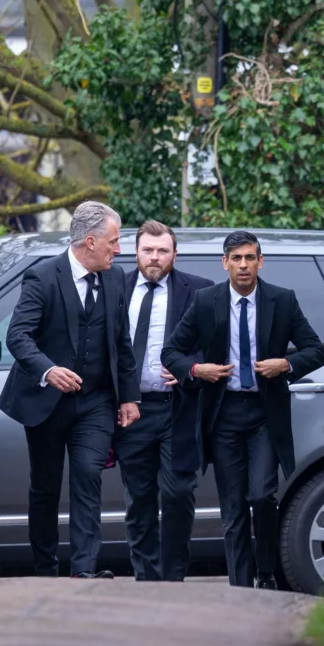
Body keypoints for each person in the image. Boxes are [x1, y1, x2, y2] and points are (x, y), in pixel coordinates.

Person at [161, 231, 324, 589]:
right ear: (225, 263)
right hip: (224, 416)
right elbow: (171, 352)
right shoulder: (207, 301)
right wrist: (196, 370)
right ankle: (240, 587)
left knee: (261, 496)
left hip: (265, 415)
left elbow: (316, 350)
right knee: (233, 508)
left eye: (250, 258)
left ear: (260, 261)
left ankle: (265, 573)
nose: (243, 265)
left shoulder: (282, 301)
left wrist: (285, 364)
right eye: (236, 259)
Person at [0, 201, 141, 579]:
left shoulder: (115, 279)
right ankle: (46, 570)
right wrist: (48, 370)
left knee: (87, 476)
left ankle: (83, 572)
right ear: (90, 242)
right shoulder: (42, 278)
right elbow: (18, 336)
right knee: (45, 488)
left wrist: (128, 396)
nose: (119, 249)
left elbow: (121, 343)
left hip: (95, 401)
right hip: (46, 403)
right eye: (113, 241)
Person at [115, 220, 213, 581]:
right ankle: (146, 579)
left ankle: (173, 579)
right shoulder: (114, 287)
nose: (154, 258)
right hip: (133, 410)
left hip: (179, 408)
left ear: (174, 254)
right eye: (148, 250)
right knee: (138, 499)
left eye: (162, 251)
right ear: (135, 252)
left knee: (178, 493)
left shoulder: (199, 291)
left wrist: (192, 367)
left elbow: (216, 343)